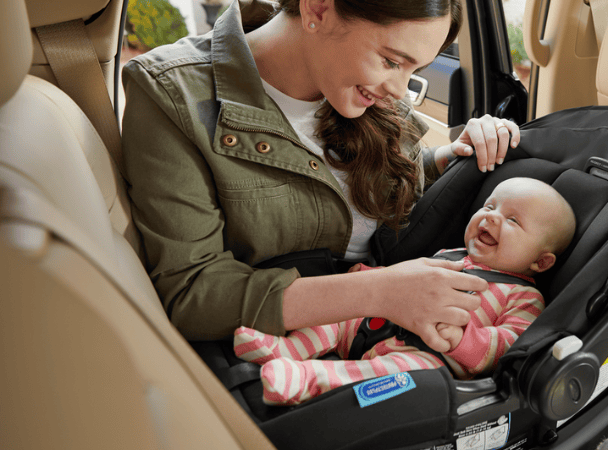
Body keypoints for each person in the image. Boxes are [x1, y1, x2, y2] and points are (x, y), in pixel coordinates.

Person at [121, 0, 523, 352]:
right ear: (317, 9)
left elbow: (373, 190)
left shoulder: (357, 88)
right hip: (280, 357)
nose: (400, 90)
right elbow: (193, 292)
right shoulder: (172, 95)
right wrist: (380, 292)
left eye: (415, 69)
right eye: (391, 61)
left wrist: (451, 159)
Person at [233, 178, 576, 405]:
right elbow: (404, 281)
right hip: (379, 322)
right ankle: (287, 350)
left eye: (513, 220)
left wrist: (464, 340)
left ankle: (309, 379)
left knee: (400, 373)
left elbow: (509, 345)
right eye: (489, 206)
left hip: (428, 357)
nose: (492, 218)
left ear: (541, 262)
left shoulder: (523, 297)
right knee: (341, 313)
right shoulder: (450, 255)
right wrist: (373, 278)